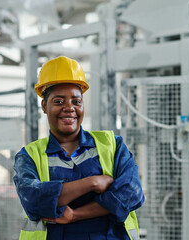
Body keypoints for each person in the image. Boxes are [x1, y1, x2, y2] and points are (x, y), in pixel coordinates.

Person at [13, 56, 144, 240]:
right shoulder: (30, 156)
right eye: (59, 101)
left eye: (76, 101)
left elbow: (132, 194)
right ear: (44, 106)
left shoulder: (112, 144)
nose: (69, 108)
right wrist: (92, 183)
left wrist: (75, 215)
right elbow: (34, 201)